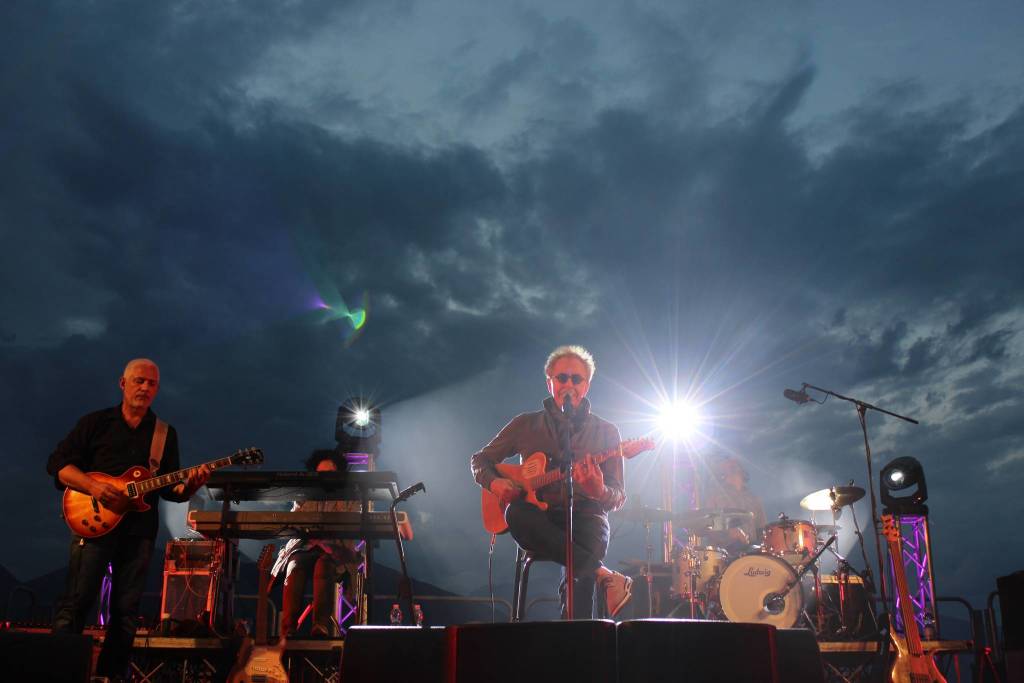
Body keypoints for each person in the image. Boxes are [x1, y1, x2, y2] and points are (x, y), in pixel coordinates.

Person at [47, 359, 210, 682]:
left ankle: (112, 676)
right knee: (76, 603)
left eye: (151, 383)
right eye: (139, 381)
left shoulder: (164, 434)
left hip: (138, 533)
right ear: (123, 383)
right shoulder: (95, 423)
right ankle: (58, 673)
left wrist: (190, 485)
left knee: (126, 613)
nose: (144, 388)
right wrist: (95, 487)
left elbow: (170, 490)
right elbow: (58, 466)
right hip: (92, 525)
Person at [471, 345, 633, 618]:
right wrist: (496, 484)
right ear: (549, 383)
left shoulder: (607, 432)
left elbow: (617, 496)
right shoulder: (525, 425)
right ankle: (603, 575)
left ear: (587, 386)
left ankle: (573, 638)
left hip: (587, 517)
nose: (568, 384)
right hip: (539, 520)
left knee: (584, 551)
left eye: (576, 379)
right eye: (562, 378)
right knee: (517, 513)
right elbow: (480, 461)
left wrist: (599, 490)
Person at [271, 449, 362, 637]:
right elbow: (295, 521)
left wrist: (324, 539)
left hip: (335, 550)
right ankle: (288, 628)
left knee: (323, 566)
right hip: (306, 546)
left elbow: (351, 524)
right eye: (320, 474)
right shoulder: (305, 494)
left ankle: (320, 626)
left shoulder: (350, 496)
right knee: (294, 565)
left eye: (329, 474)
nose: (324, 478)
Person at [699, 455, 767, 553]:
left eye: (735, 464)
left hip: (752, 554)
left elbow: (762, 531)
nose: (732, 464)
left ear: (742, 471)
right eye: (727, 463)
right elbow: (708, 524)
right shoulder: (715, 495)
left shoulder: (754, 499)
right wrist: (729, 533)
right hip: (724, 554)